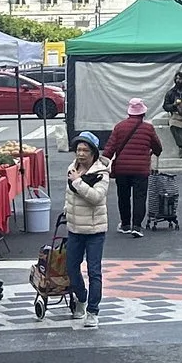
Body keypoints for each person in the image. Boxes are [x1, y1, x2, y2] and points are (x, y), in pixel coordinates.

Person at [60, 132, 111, 327]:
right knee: (71, 268)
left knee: (94, 271)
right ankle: (81, 298)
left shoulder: (101, 173)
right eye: (78, 149)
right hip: (74, 228)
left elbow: (96, 198)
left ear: (93, 153)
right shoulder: (72, 168)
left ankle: (93, 310)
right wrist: (67, 209)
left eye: (85, 150)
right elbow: (69, 195)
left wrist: (77, 182)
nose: (80, 154)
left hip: (95, 230)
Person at [103, 97, 162, 238]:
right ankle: (136, 226)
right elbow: (158, 147)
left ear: (129, 112)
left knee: (123, 196)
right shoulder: (148, 128)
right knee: (139, 197)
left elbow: (110, 148)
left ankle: (125, 224)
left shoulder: (119, 127)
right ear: (143, 113)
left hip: (122, 169)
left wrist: (103, 161)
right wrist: (154, 152)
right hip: (141, 170)